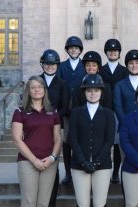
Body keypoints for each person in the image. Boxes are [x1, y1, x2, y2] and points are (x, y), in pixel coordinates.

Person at [12, 76, 61, 207]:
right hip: (28, 162)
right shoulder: (20, 111)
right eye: (33, 87)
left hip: (49, 162)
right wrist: (34, 160)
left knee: (42, 204)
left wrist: (52, 157)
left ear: (44, 90)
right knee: (29, 203)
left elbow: (57, 139)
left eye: (40, 86)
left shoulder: (52, 111)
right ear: (29, 91)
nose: (37, 90)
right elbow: (17, 139)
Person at [70, 74, 116, 207]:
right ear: (84, 93)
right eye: (89, 90)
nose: (92, 93)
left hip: (102, 165)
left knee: (99, 204)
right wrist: (83, 161)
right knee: (82, 204)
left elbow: (109, 140)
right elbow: (72, 138)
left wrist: (96, 162)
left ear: (101, 93)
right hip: (79, 164)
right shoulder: (76, 113)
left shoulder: (108, 114)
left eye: (96, 90)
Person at [114, 49, 138, 207]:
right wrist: (128, 125)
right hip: (126, 131)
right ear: (127, 65)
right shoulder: (120, 85)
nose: (134, 65)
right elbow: (118, 107)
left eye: (137, 63)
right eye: (131, 63)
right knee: (127, 164)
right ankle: (128, 201)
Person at [39, 49, 70, 207]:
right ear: (42, 64)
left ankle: (51, 203)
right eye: (47, 63)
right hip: (37, 128)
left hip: (55, 127)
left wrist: (53, 118)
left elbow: (65, 106)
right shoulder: (36, 81)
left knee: (53, 166)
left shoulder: (63, 84)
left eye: (53, 64)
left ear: (57, 66)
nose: (50, 67)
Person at [58, 36, 87, 186]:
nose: (74, 50)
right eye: (71, 48)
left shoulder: (85, 65)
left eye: (76, 48)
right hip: (67, 110)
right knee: (67, 141)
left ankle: (79, 170)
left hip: (82, 109)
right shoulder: (62, 66)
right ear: (68, 50)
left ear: (80, 50)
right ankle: (68, 173)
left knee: (81, 141)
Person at [100, 38, 128, 184]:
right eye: (110, 51)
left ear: (119, 53)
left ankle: (116, 172)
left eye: (115, 51)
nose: (113, 53)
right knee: (104, 142)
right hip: (104, 110)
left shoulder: (124, 71)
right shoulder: (101, 70)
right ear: (106, 53)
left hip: (118, 111)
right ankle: (104, 170)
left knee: (117, 144)